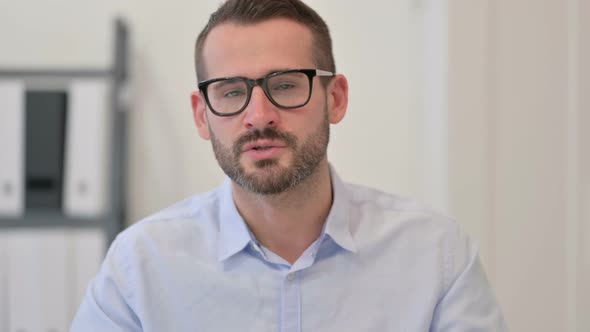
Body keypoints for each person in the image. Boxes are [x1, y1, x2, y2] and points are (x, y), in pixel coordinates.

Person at [71, 0, 507, 331]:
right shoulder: (139, 268)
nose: (259, 115)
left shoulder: (437, 257)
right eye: (230, 91)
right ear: (202, 114)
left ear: (334, 99)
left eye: (285, 85)